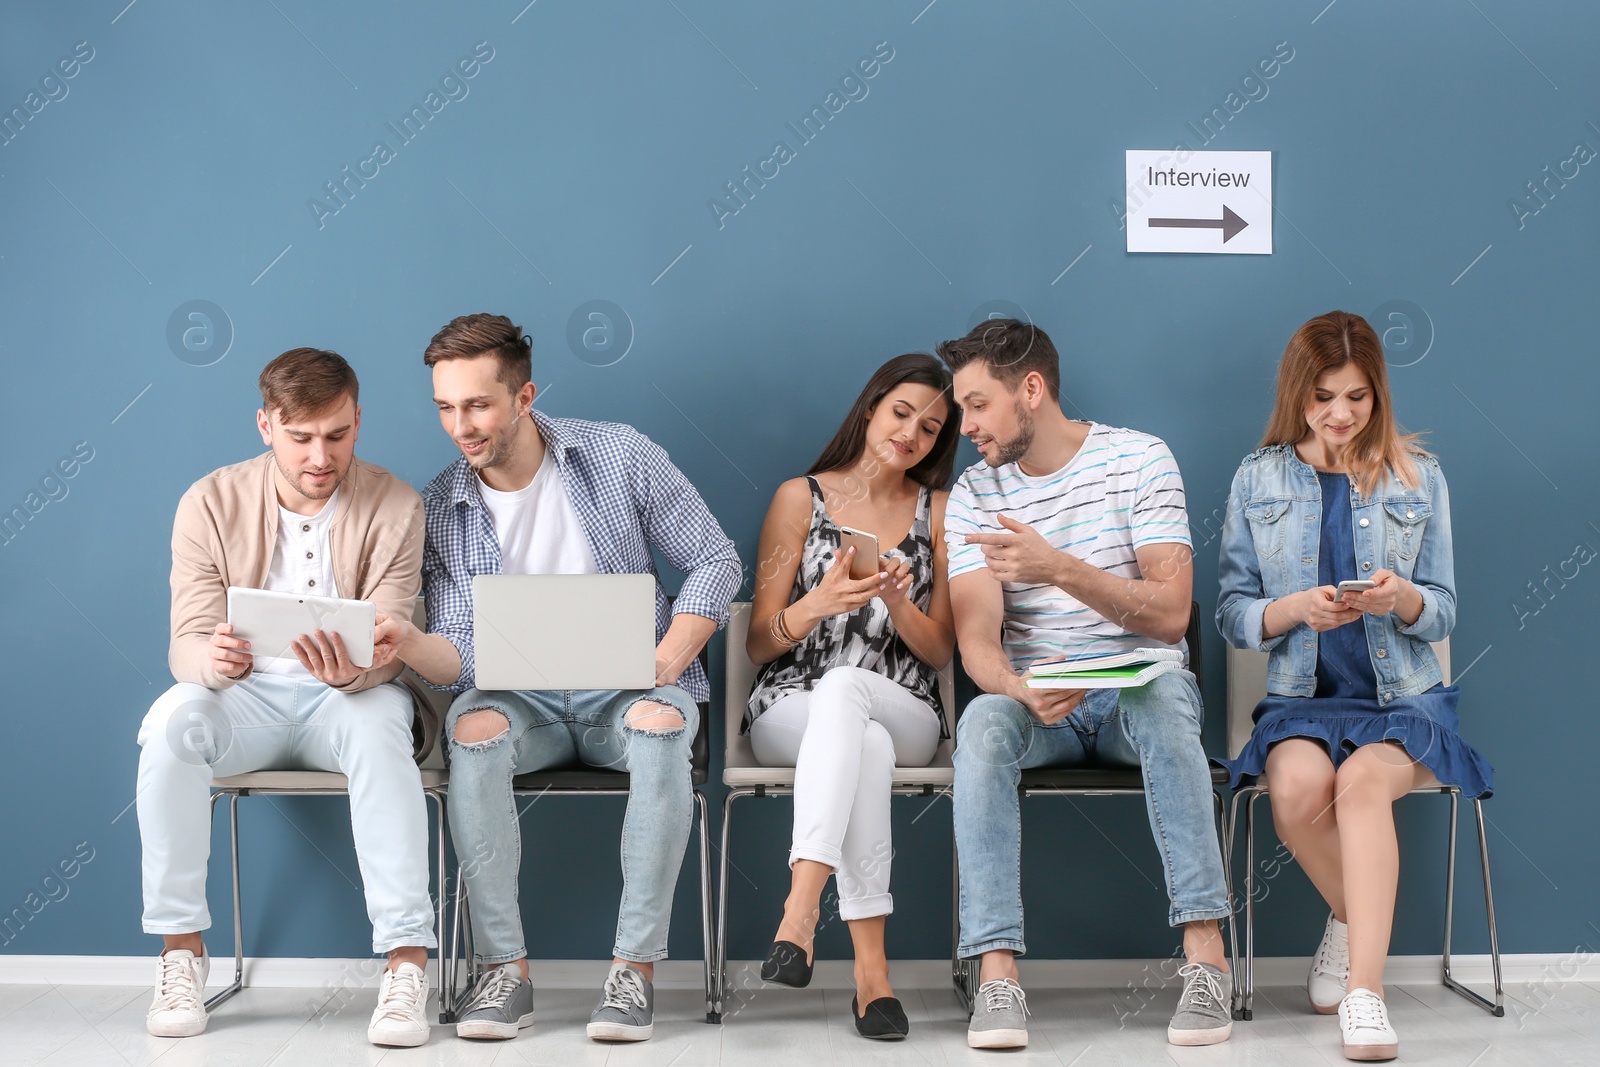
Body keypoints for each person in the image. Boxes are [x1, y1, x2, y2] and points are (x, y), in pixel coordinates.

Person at [378, 313, 740, 1044]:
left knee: (664, 723)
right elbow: (459, 649)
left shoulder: (618, 454)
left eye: (477, 404)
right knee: (471, 728)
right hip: (520, 702)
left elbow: (717, 560)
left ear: (524, 395)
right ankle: (505, 970)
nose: (461, 425)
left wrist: (667, 660)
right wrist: (417, 644)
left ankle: (633, 972)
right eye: (445, 406)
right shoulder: (442, 504)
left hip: (632, 690)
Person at [940, 319, 1234, 1050]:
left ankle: (1207, 964)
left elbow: (1170, 614)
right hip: (1039, 701)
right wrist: (1012, 685)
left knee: (1167, 701)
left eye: (977, 404)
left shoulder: (1140, 459)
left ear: (1030, 390)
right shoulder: (975, 489)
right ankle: (996, 974)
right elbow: (975, 637)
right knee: (980, 723)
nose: (966, 425)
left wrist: (1058, 567)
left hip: (1135, 691)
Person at [136, 349, 436, 1047]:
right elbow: (184, 638)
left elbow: (392, 637)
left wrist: (352, 671)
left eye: (336, 434)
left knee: (378, 730)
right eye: (301, 437)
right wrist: (207, 660)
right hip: (245, 699)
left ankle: (406, 963)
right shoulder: (208, 500)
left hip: (348, 699)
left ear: (358, 420)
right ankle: (181, 951)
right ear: (266, 424)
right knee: (171, 722)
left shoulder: (396, 503)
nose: (320, 455)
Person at [1216, 311, 1491, 1061]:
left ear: (1379, 396)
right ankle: (1348, 916)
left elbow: (1442, 607)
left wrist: (1399, 596)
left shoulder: (1417, 476)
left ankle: (1365, 995)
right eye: (1323, 397)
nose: (1340, 414)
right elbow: (1234, 614)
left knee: (1363, 786)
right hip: (1302, 699)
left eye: (1358, 398)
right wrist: (1296, 608)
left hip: (1402, 698)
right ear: (1297, 395)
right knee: (1298, 793)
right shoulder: (1258, 476)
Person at [745, 354, 958, 1040]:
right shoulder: (796, 498)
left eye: (930, 427)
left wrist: (897, 601)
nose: (911, 434)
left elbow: (940, 651)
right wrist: (818, 604)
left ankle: (800, 907)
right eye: (901, 413)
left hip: (907, 708)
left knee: (855, 699)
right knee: (852, 729)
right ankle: (873, 977)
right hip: (791, 706)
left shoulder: (940, 510)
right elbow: (757, 642)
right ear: (871, 408)